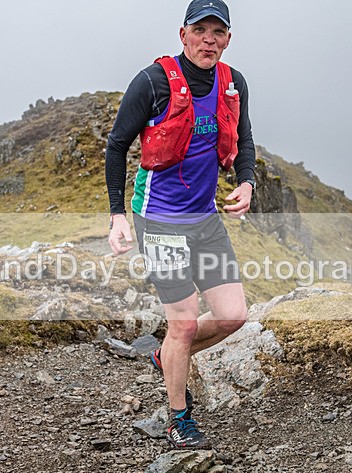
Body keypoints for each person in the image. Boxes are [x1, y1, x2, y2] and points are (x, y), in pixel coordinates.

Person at [105, 0, 256, 449]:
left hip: (205, 220)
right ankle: (178, 418)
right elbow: (116, 146)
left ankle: (166, 355)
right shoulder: (152, 82)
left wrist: (246, 183)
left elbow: (244, 138)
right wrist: (117, 215)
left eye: (218, 32)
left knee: (233, 316)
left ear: (228, 38)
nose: (209, 39)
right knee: (185, 324)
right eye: (200, 30)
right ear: (183, 34)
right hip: (160, 221)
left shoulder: (233, 83)